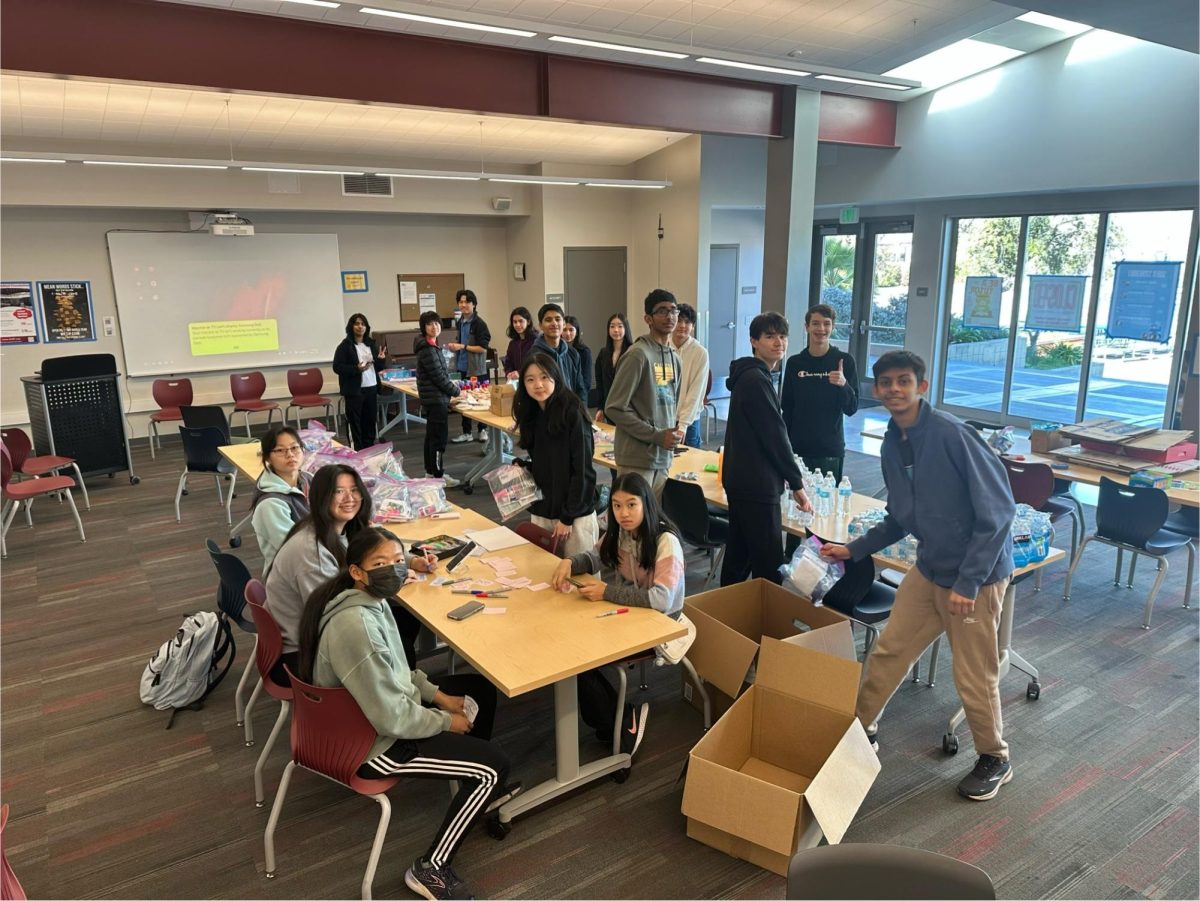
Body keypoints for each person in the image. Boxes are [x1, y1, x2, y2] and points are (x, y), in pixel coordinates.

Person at [820, 351, 1016, 802]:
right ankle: (860, 728)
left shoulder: (952, 435)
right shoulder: (893, 442)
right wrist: (853, 549)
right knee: (889, 651)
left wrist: (968, 583)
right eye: (885, 382)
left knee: (973, 673)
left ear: (921, 386)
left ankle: (995, 757)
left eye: (903, 381)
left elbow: (998, 513)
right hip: (929, 568)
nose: (893, 389)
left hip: (976, 577)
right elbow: (900, 517)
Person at [296, 526, 514, 901]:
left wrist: (441, 697)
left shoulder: (369, 602)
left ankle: (472, 792)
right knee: (493, 767)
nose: (394, 569)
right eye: (380, 563)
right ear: (356, 571)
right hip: (368, 746)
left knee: (478, 690)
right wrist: (448, 721)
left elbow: (400, 669)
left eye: (398, 561)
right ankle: (430, 868)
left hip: (370, 717)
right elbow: (392, 719)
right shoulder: (356, 626)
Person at [550, 473, 684, 757]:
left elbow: (662, 600)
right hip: (632, 613)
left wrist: (606, 592)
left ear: (646, 504)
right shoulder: (622, 532)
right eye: (617, 505)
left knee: (578, 659)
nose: (623, 513)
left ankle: (620, 720)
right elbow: (596, 556)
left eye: (631, 505)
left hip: (661, 622)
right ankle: (611, 719)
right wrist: (569, 562)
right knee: (570, 647)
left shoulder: (665, 541)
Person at [266, 464, 434, 680]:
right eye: (338, 491)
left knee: (405, 619)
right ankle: (394, 695)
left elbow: (373, 552)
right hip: (305, 653)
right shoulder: (309, 552)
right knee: (400, 644)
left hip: (316, 632)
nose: (350, 498)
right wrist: (388, 580)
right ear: (321, 497)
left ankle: (396, 682)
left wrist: (411, 562)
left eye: (354, 490)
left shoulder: (341, 528)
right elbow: (331, 612)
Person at [720, 311, 811, 586]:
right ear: (754, 341)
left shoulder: (750, 376)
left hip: (742, 479)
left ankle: (726, 618)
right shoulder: (756, 380)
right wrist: (797, 483)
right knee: (769, 566)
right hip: (757, 484)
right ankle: (766, 625)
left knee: (739, 555)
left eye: (782, 336)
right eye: (770, 336)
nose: (778, 343)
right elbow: (775, 435)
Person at [512, 353, 599, 558]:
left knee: (579, 579)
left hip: (575, 513)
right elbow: (546, 461)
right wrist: (523, 467)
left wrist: (568, 517)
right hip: (544, 507)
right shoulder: (531, 412)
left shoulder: (572, 411)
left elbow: (584, 470)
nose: (538, 385)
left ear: (555, 377)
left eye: (544, 377)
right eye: (530, 379)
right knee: (542, 573)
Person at [603, 289, 682, 501]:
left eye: (674, 310)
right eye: (662, 311)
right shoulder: (638, 354)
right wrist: (656, 435)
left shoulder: (675, 357)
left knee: (652, 522)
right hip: (636, 458)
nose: (670, 316)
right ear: (648, 318)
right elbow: (614, 407)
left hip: (663, 457)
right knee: (631, 525)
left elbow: (669, 404)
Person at [781, 303, 859, 482]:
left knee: (827, 505)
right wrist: (785, 445)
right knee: (795, 504)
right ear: (807, 327)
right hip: (798, 448)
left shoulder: (845, 362)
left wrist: (843, 384)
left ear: (832, 327)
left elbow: (852, 408)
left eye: (826, 323)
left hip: (829, 449)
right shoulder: (795, 363)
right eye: (815, 323)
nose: (821, 328)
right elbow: (788, 407)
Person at [250, 426, 312, 570]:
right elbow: (295, 552)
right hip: (292, 573)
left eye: (294, 448)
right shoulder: (270, 504)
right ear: (267, 457)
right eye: (280, 450)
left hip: (318, 560)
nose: (290, 455)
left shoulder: (308, 479)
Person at [415, 310, 463, 488]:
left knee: (432, 437)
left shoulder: (431, 345)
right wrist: (457, 392)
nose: (434, 327)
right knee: (438, 440)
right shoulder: (427, 349)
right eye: (429, 324)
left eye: (436, 323)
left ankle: (430, 473)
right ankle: (438, 476)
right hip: (436, 400)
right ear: (424, 328)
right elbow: (439, 377)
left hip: (435, 398)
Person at [332, 312, 387, 450]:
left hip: (371, 387)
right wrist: (356, 369)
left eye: (363, 324)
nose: (360, 327)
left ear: (366, 327)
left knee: (370, 421)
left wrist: (381, 359)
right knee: (355, 424)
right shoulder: (345, 346)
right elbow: (337, 367)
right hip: (355, 390)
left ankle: (369, 450)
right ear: (351, 326)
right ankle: (357, 451)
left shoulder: (371, 344)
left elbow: (378, 368)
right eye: (357, 324)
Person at [446, 289, 491, 447]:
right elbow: (461, 345)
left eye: (466, 302)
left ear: (474, 304)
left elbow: (483, 348)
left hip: (476, 369)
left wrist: (462, 346)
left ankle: (482, 430)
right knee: (463, 398)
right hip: (462, 367)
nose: (463, 305)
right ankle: (466, 433)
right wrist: (455, 348)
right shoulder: (460, 322)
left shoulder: (479, 324)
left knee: (479, 399)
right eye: (461, 302)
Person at [671, 302, 710, 449]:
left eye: (687, 322)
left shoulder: (700, 353)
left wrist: (683, 425)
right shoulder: (663, 347)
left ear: (693, 327)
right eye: (679, 320)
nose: (682, 326)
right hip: (664, 418)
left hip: (690, 421)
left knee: (690, 467)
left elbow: (696, 392)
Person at [531, 302, 587, 399]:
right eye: (548, 320)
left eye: (557, 319)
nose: (554, 323)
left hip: (571, 410)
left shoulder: (572, 353)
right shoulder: (534, 356)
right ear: (540, 325)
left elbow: (580, 388)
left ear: (564, 323)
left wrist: (580, 412)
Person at [594, 312, 632, 424]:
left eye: (620, 326)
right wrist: (600, 407)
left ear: (626, 329)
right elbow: (600, 384)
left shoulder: (633, 351)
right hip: (610, 408)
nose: (616, 330)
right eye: (612, 326)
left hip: (629, 410)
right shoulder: (603, 353)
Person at [563, 315, 594, 407]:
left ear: (577, 332)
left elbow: (586, 381)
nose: (568, 333)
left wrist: (579, 397)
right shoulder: (558, 350)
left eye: (571, 330)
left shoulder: (584, 351)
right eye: (564, 330)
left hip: (579, 398)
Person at [502, 306, 538, 378]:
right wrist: (509, 373)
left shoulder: (536, 341)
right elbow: (508, 363)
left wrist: (519, 373)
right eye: (515, 322)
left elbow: (536, 363)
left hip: (532, 379)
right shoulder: (512, 343)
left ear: (528, 322)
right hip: (516, 381)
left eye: (520, 321)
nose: (517, 325)